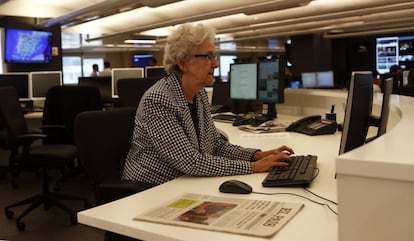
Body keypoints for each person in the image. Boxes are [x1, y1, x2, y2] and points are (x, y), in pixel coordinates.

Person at [122, 23, 294, 185]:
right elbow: (190, 162)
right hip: (151, 187)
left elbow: (216, 146)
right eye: (208, 57)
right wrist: (255, 167)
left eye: (215, 56)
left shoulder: (199, 94)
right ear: (183, 63)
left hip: (186, 181)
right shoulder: (159, 100)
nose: (216, 64)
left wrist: (256, 155)